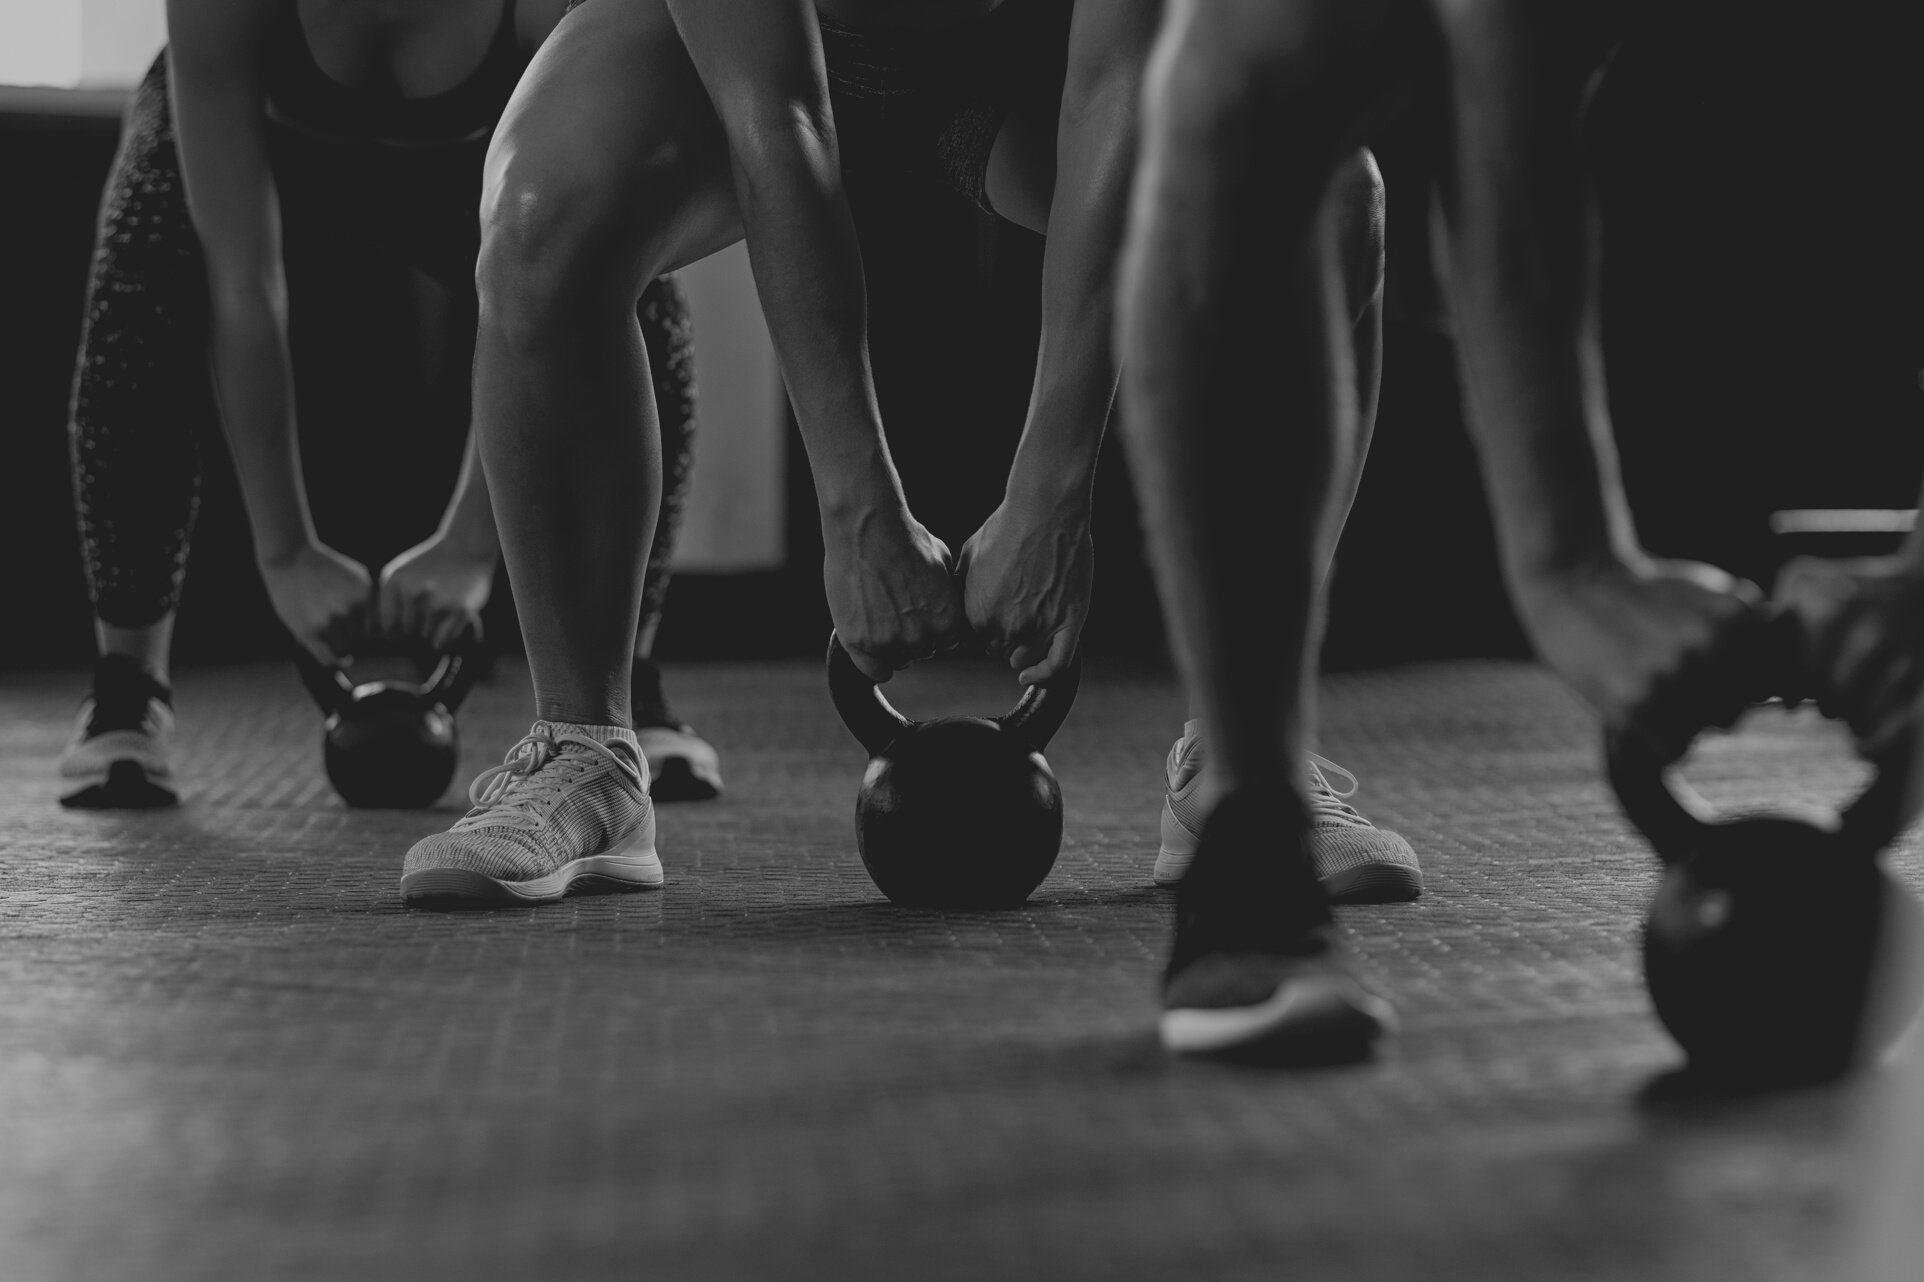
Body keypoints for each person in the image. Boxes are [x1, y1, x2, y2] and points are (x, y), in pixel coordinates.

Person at [399, 0, 1418, 910]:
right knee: (538, 215)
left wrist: (1050, 496)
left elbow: (1115, 91)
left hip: (1035, 55)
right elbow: (777, 124)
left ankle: (1244, 761)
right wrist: (858, 512)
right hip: (756, 72)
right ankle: (583, 752)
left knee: (1322, 200)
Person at [59, 0, 722, 811]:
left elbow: (561, 262)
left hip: (475, 167)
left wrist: (472, 545)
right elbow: (243, 290)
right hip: (279, 152)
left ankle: (630, 685)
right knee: (144, 259)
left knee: (628, 270)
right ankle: (129, 688)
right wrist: (286, 553)